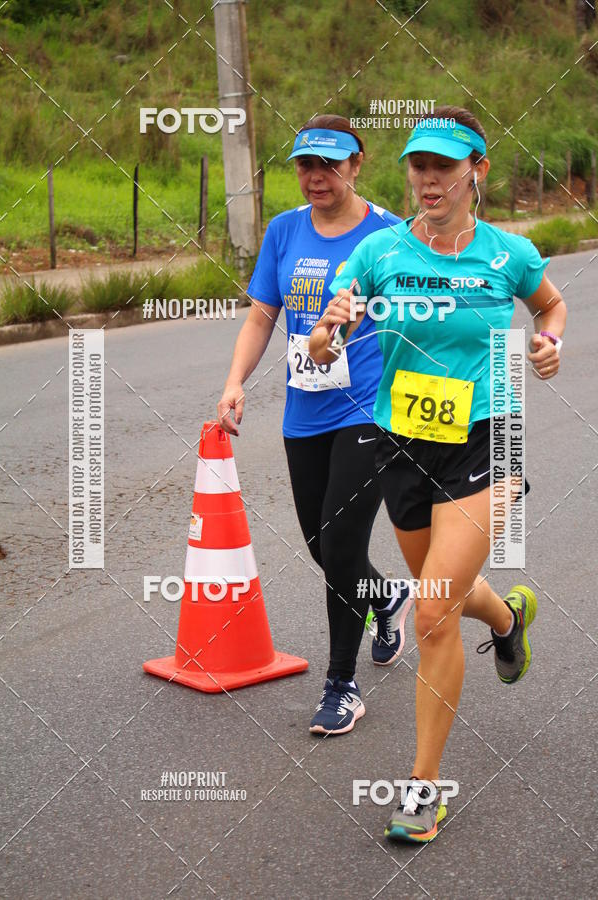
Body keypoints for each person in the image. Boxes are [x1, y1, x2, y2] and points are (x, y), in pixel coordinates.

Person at [310, 106, 566, 838]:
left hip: (492, 438)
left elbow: (550, 305)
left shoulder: (507, 253)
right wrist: (329, 335)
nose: (428, 179)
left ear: (476, 173)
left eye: (444, 167)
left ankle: (423, 790)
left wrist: (547, 340)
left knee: (429, 614)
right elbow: (331, 326)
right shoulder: (380, 254)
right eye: (419, 166)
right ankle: (510, 617)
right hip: (404, 443)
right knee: (442, 597)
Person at [217, 115, 412, 736]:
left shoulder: (389, 234)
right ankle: (387, 598)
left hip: (372, 411)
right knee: (322, 549)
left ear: (357, 165)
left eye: (330, 164)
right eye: (305, 164)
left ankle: (341, 685)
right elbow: (260, 318)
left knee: (340, 542)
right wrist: (234, 382)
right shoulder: (284, 231)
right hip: (305, 411)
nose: (315, 177)